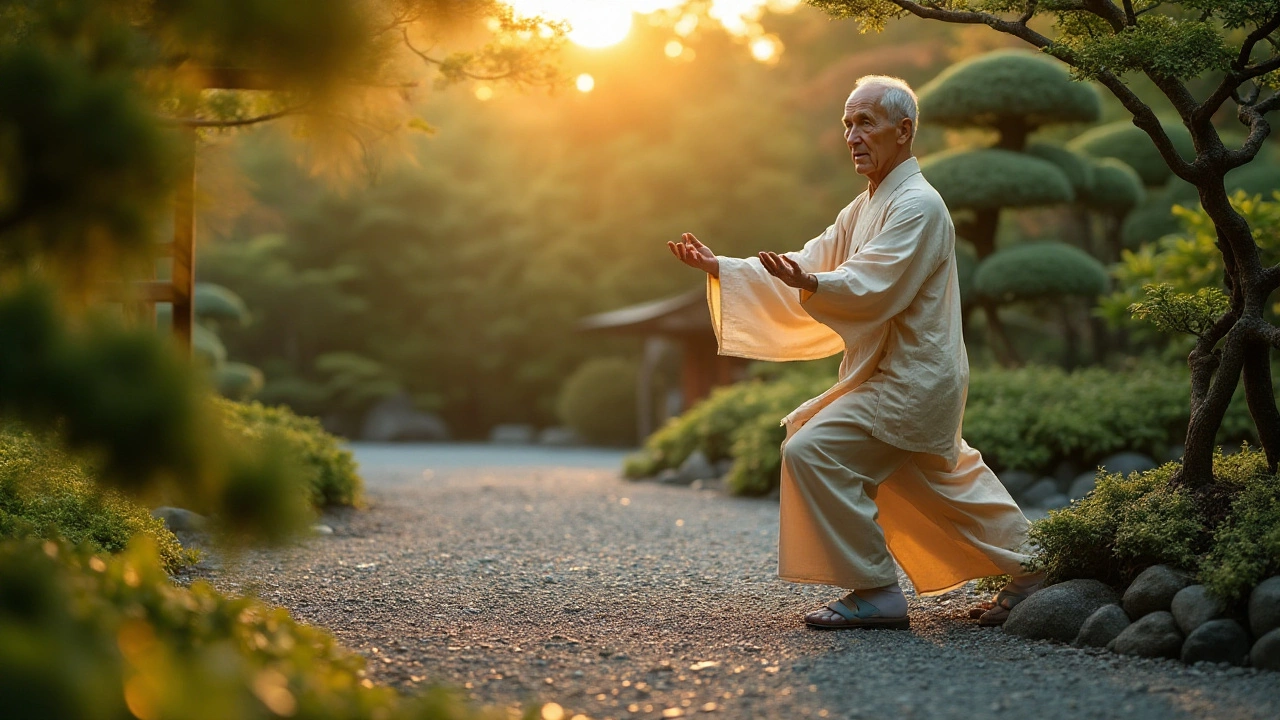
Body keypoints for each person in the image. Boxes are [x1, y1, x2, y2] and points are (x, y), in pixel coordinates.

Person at [667, 75, 1043, 629]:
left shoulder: (917, 205)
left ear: (903, 130)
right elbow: (811, 257)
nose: (852, 135)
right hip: (899, 376)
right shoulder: (868, 203)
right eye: (847, 123)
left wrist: (815, 284)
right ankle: (1038, 569)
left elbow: (874, 283)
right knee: (945, 481)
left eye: (865, 121)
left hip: (910, 379)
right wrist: (724, 267)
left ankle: (875, 592)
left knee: (813, 449)